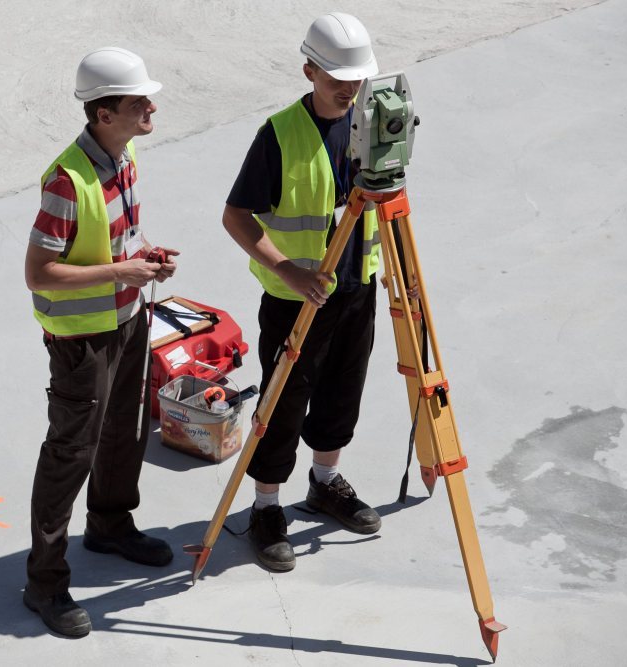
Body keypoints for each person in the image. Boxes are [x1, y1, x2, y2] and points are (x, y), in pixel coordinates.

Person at [23, 46, 179, 638]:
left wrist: (144, 259)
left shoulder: (124, 153)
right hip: (81, 338)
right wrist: (119, 273)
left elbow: (119, 242)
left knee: (125, 429)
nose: (151, 109)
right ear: (103, 114)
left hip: (128, 317)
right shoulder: (67, 181)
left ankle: (112, 524)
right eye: (140, 102)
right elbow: (40, 274)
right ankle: (44, 581)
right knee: (71, 452)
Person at [222, 13, 383, 572]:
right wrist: (287, 270)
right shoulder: (279, 134)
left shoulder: (370, 119)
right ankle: (267, 507)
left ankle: (324, 481)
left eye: (357, 76)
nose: (350, 87)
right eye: (338, 75)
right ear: (309, 69)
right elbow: (237, 216)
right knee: (282, 401)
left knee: (344, 389)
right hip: (296, 297)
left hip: (357, 284)